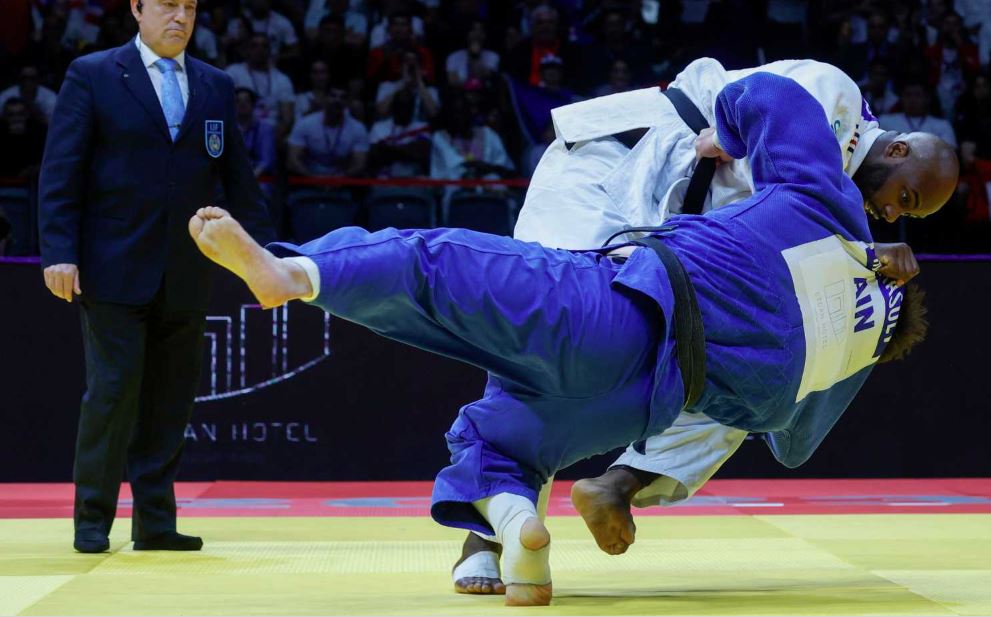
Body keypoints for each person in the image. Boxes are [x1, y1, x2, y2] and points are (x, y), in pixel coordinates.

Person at [187, 72, 957, 606]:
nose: (892, 217)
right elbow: (790, 441)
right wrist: (861, 273)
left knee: (436, 266)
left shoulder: (826, 203)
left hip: (620, 300)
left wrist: (841, 234)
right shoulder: (829, 373)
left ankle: (295, 273)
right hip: (638, 379)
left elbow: (764, 98)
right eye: (905, 201)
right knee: (520, 432)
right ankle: (517, 534)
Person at [449, 57, 962, 594]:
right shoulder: (834, 95)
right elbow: (763, 156)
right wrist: (865, 251)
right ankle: (484, 535)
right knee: (544, 334)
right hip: (615, 165)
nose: (889, 211)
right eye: (904, 196)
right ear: (898, 149)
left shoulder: (842, 209)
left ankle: (621, 484)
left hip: (668, 229)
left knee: (752, 372)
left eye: (905, 214)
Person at [37, 0, 274, 555]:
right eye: (168, 5)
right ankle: (92, 520)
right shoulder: (93, 74)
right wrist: (59, 251)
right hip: (111, 265)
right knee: (113, 393)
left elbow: (238, 179)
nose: (180, 18)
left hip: (187, 269)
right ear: (137, 7)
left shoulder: (215, 84)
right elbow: (61, 171)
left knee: (172, 398)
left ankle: (155, 522)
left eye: (190, 8)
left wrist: (264, 256)